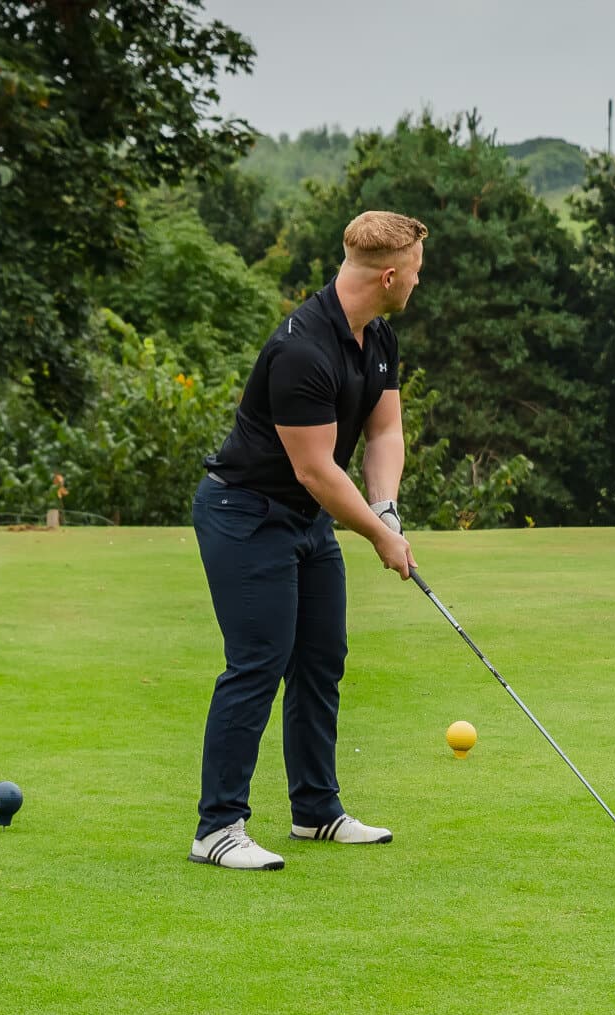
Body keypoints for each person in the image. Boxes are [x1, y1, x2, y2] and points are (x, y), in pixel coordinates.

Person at [186, 210, 426, 870]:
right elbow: (315, 469)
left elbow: (384, 432)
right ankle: (218, 827)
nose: (416, 286)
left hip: (304, 521)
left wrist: (387, 508)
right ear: (388, 274)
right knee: (260, 659)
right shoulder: (302, 350)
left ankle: (316, 811)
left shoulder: (376, 337)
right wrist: (378, 536)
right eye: (415, 275)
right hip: (246, 514)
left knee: (320, 657)